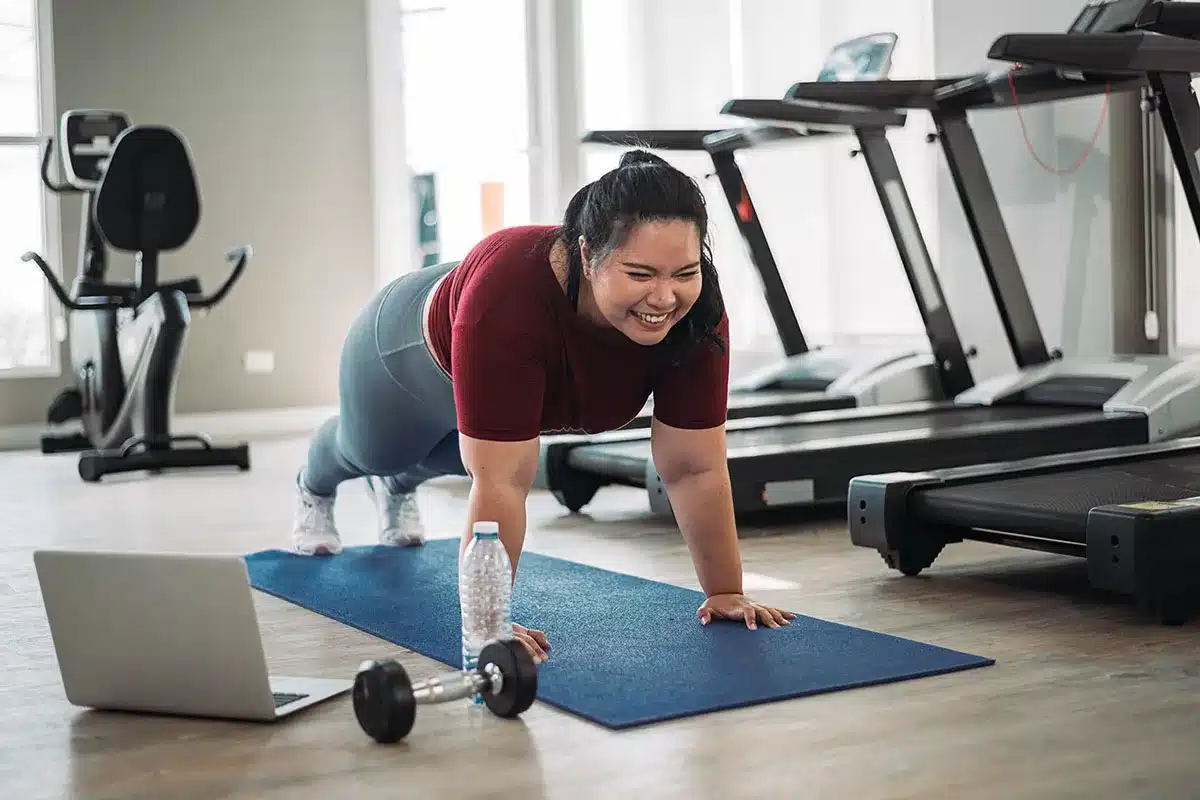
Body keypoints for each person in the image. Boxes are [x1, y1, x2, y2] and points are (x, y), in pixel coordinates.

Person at [291, 149, 796, 663]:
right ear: (586, 253)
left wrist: (725, 591)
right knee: (374, 452)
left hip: (483, 369)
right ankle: (314, 486)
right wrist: (489, 625)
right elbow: (503, 484)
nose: (665, 297)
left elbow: (693, 467)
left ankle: (400, 485)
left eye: (684, 272)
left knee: (453, 458)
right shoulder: (507, 297)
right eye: (640, 274)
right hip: (399, 355)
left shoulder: (698, 313)